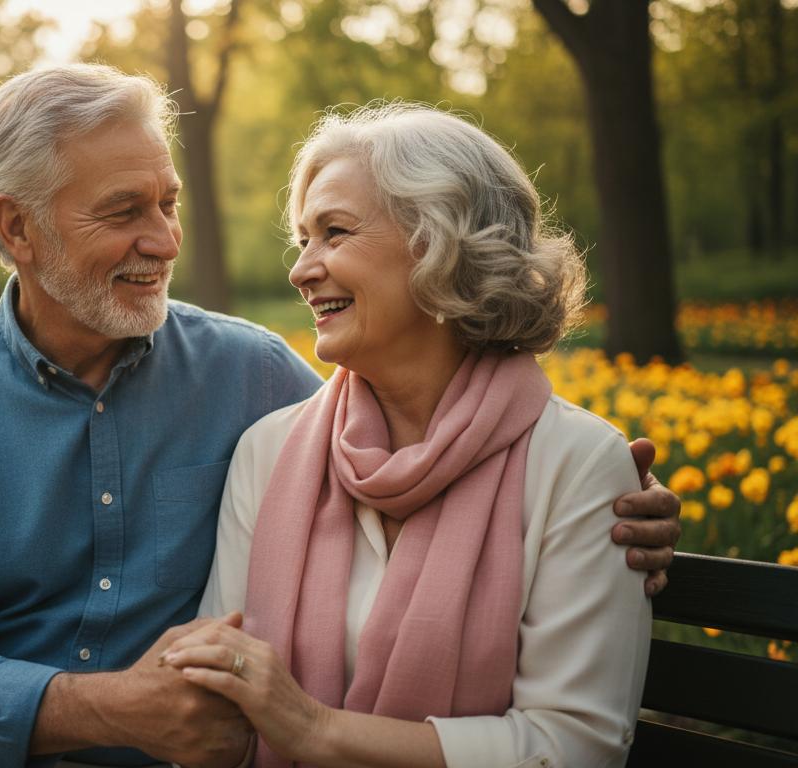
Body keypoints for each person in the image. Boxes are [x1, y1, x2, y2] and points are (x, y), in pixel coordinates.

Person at [0, 66, 680, 768]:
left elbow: (439, 426)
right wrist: (115, 708)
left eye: (168, 203)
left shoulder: (255, 382)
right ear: (17, 228)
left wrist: (619, 503)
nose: (167, 241)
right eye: (124, 211)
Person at [162, 104, 655, 767]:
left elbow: (572, 747)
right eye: (302, 240)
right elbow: (221, 705)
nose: (301, 269)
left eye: (334, 233)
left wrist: (311, 730)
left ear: (441, 244)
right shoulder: (270, 453)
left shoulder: (577, 463)